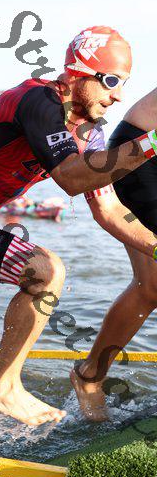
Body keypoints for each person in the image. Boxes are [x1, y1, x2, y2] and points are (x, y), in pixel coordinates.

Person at [0, 25, 157, 433]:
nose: (118, 96)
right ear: (77, 74)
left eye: (124, 84)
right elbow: (72, 177)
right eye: (111, 81)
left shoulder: (91, 134)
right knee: (45, 271)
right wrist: (152, 142)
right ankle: (4, 387)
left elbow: (109, 210)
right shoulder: (38, 100)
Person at [71, 87, 157, 420]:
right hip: (143, 153)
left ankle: (90, 375)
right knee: (152, 286)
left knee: (150, 288)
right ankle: (89, 377)